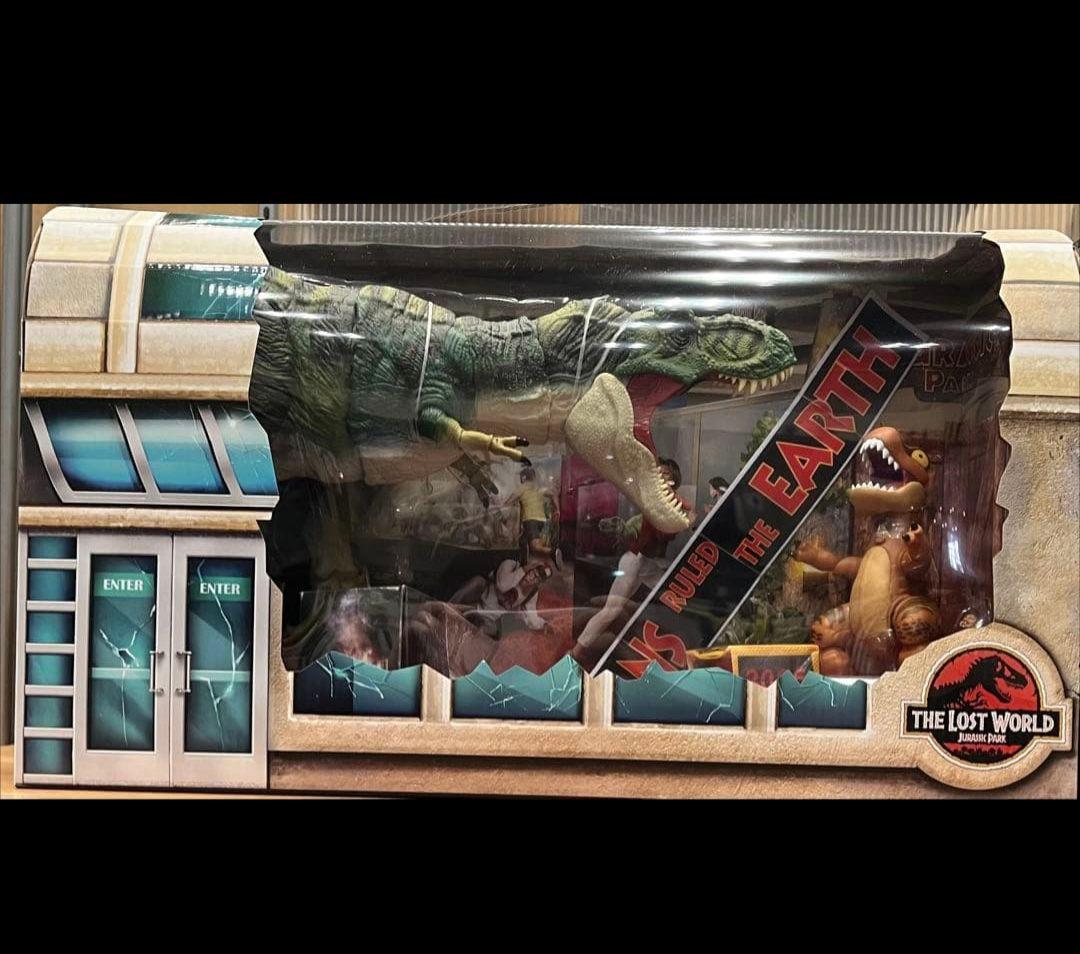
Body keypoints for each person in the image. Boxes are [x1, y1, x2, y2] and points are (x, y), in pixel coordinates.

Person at [572, 458, 696, 668]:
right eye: (658, 473)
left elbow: (688, 512)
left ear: (672, 480)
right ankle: (576, 652)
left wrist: (689, 518)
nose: (660, 477)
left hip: (649, 562)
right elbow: (660, 527)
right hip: (636, 560)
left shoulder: (670, 500)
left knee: (676, 597)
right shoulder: (655, 500)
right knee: (612, 610)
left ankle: (686, 649)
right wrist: (684, 521)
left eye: (665, 474)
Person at [505, 466, 562, 569]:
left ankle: (553, 552)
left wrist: (504, 505)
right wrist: (557, 509)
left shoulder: (522, 488)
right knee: (522, 540)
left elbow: (508, 502)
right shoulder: (538, 488)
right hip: (541, 521)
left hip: (530, 520)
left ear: (523, 478)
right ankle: (523, 563)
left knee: (535, 547)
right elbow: (554, 494)